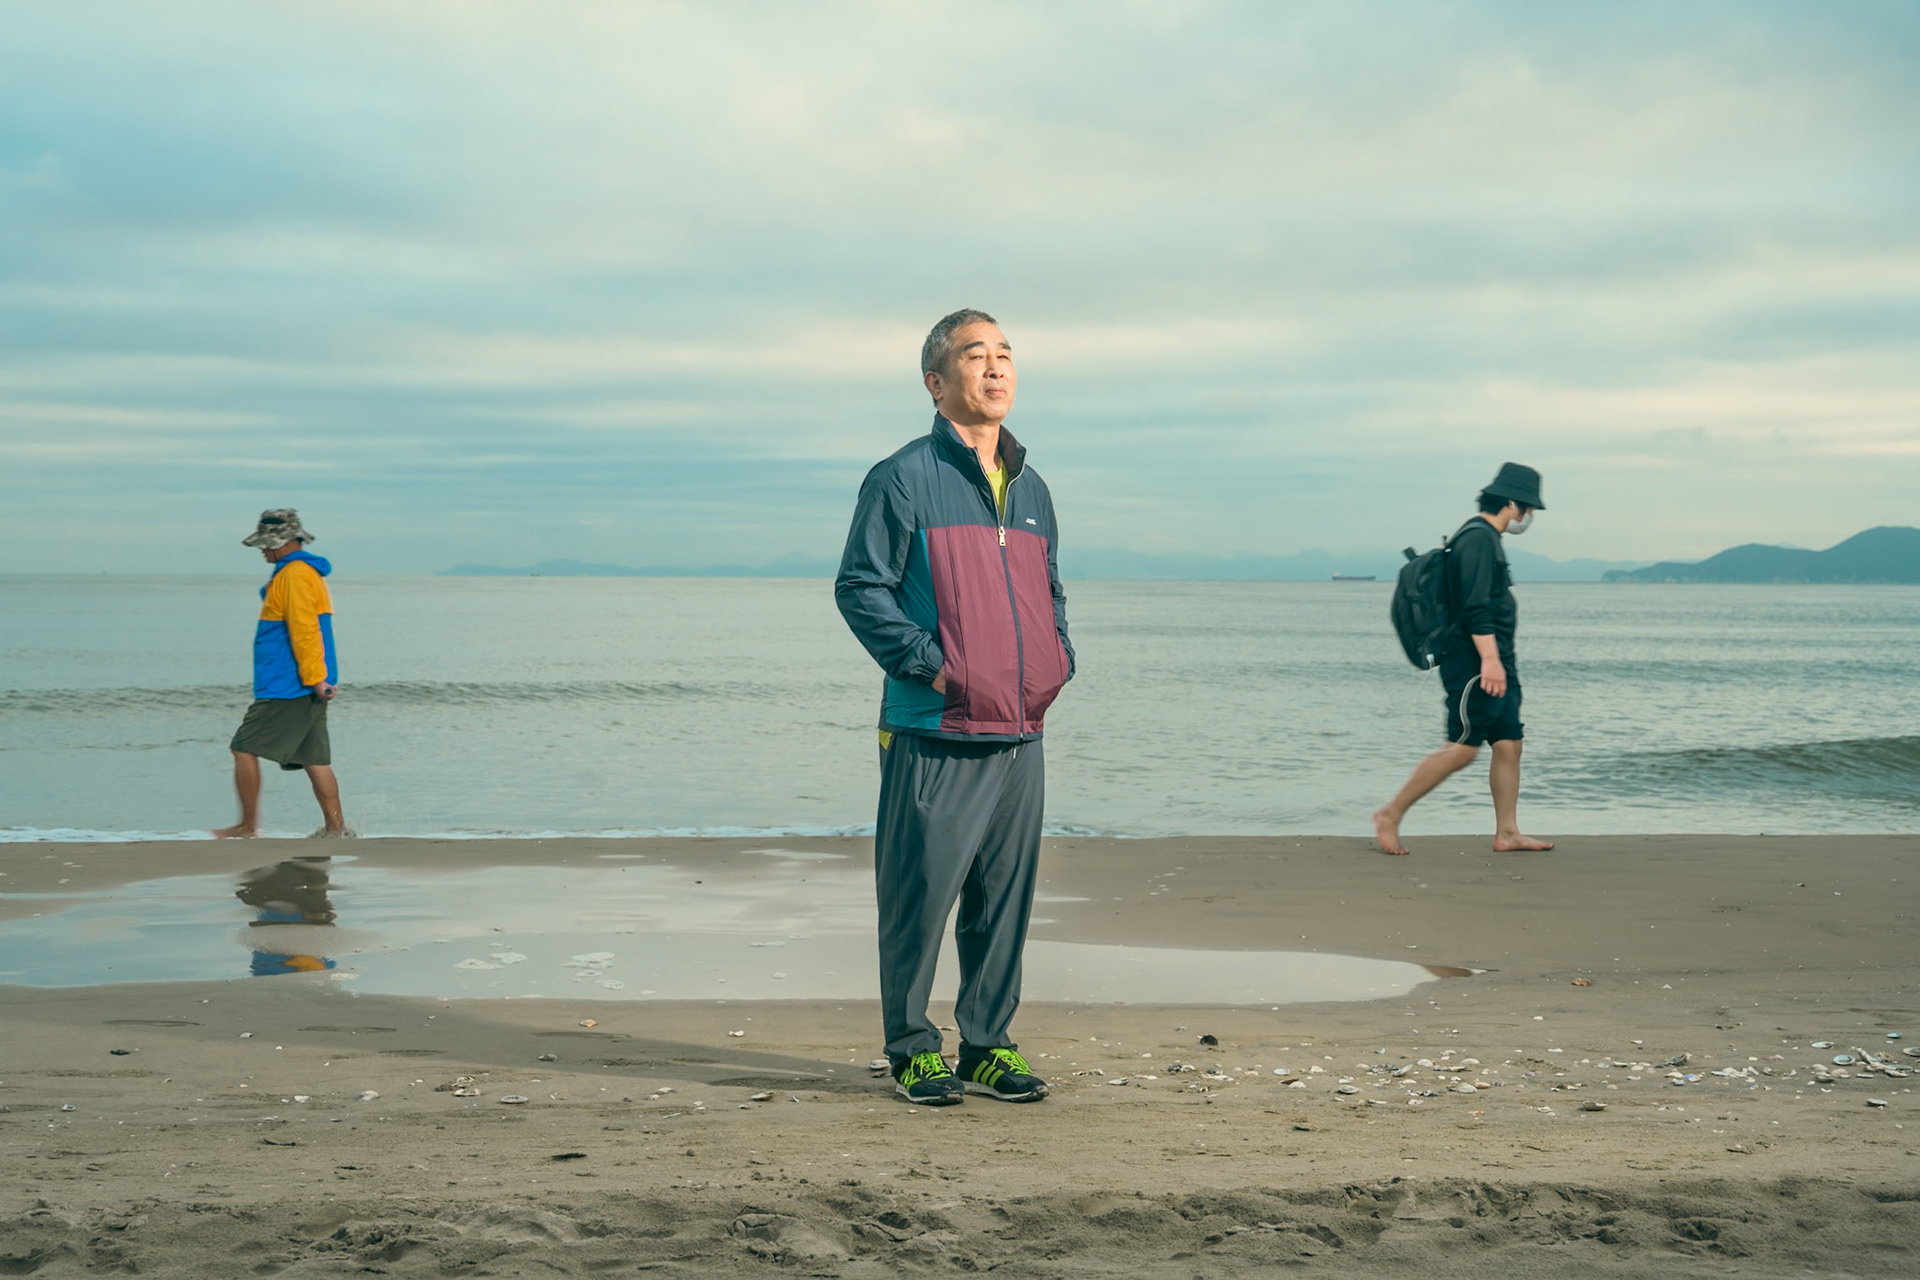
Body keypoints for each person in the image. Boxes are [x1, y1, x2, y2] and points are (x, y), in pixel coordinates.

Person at [834, 309, 1074, 1106]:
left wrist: (1056, 661)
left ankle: (986, 1046)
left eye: (1005, 353)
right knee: (920, 897)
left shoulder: (1032, 487)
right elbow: (860, 588)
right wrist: (936, 669)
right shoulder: (902, 477)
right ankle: (912, 1048)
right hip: (934, 726)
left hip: (1019, 730)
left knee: (1002, 901)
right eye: (977, 355)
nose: (996, 367)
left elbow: (1049, 591)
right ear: (936, 383)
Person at [1373, 464, 1555, 857]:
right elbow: (1474, 608)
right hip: (1474, 664)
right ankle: (1391, 813)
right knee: (1462, 746)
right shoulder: (1478, 539)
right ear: (1512, 504)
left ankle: (1508, 832)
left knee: (1509, 742)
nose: (1529, 518)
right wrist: (1489, 661)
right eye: (1529, 510)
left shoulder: (1485, 538)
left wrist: (1498, 660)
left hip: (1496, 660)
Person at [214, 509, 351, 839]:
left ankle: (247, 827)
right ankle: (336, 830)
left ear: (283, 542)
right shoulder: (299, 573)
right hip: (305, 682)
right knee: (314, 758)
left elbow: (305, 630)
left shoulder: (294, 575)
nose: (262, 549)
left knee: (243, 747)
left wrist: (315, 679)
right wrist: (320, 680)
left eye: (266, 544)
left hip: (288, 684)